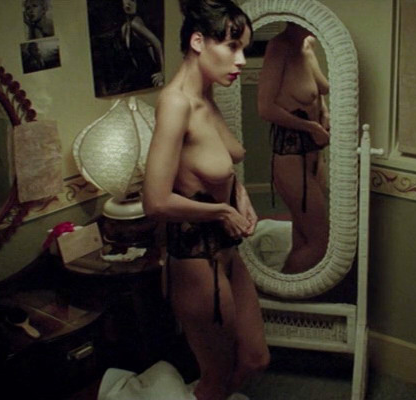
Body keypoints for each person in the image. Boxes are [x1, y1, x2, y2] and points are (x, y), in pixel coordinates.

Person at [142, 1, 269, 399]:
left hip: (227, 251)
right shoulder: (176, 103)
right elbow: (154, 201)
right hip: (196, 260)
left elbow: (214, 165)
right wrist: (222, 210)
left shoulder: (207, 95)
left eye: (243, 48)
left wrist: (239, 193)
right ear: (198, 42)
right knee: (216, 376)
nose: (241, 60)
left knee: (255, 358)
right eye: (232, 46)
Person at [257, 22, 331, 274]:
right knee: (320, 243)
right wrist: (311, 127)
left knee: (304, 237)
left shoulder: (307, 44)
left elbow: (318, 92)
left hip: (315, 155)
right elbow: (265, 108)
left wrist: (325, 112)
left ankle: (299, 292)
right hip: (291, 157)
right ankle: (281, 290)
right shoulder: (279, 47)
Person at [118, 0, 165, 89]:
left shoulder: (136, 24)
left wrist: (163, 72)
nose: (129, 3)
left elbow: (158, 44)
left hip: (151, 74)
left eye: (133, 0)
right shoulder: (124, 28)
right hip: (140, 76)